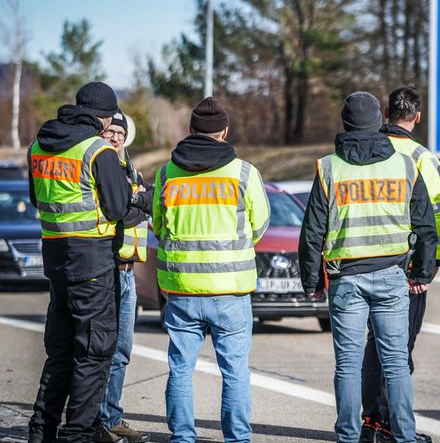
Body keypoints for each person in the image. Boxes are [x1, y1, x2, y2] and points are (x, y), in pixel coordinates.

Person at [298, 91, 437, 443]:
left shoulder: (329, 167)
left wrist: (312, 280)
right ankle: (404, 436)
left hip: (346, 279)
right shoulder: (406, 165)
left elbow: (313, 231)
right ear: (380, 121)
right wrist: (422, 273)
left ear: (344, 124)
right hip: (392, 276)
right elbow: (425, 224)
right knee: (395, 364)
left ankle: (348, 436)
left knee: (347, 364)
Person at [152, 96, 270, 443]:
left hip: (182, 288)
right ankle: (237, 438)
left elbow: (158, 227)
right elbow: (260, 225)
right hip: (230, 289)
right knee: (234, 371)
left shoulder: (167, 173)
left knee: (180, 369)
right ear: (225, 132)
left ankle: (183, 437)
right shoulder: (244, 173)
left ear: (190, 131)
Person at [27, 82, 132, 443]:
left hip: (55, 261)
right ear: (105, 118)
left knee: (60, 351)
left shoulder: (38, 146)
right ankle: (78, 434)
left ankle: (41, 432)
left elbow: (38, 199)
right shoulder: (97, 149)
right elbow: (118, 208)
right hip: (93, 263)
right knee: (93, 352)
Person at [360, 86, 440, 443]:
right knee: (398, 347)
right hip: (406, 268)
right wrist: (433, 261)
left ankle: (370, 421)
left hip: (364, 263)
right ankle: (388, 425)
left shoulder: (364, 149)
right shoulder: (419, 156)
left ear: (386, 114)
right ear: (417, 117)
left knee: (373, 344)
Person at [93, 111, 152, 443]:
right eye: (110, 130)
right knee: (105, 349)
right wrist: (139, 202)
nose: (115, 137)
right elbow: (123, 211)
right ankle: (99, 420)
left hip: (129, 272)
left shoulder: (132, 170)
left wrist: (139, 203)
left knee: (123, 350)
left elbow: (143, 207)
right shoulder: (102, 167)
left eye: (120, 132)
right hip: (108, 269)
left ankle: (111, 417)